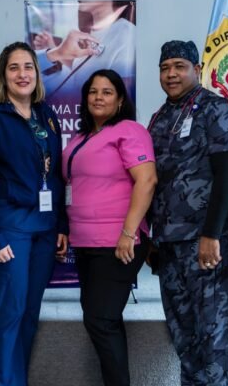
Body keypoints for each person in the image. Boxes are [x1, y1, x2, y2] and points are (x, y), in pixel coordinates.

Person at [0, 41, 68, 386]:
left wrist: (61, 224)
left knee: (29, 313)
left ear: (37, 73)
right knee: (10, 311)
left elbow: (57, 175)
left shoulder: (46, 115)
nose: (22, 74)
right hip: (9, 228)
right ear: (3, 75)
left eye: (28, 67)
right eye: (14, 67)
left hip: (44, 228)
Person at [146, 40, 228, 385]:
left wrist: (212, 234)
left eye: (179, 66)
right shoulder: (161, 116)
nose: (171, 74)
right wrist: (152, 238)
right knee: (183, 337)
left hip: (205, 243)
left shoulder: (216, 110)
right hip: (168, 245)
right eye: (164, 68)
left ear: (197, 70)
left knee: (211, 339)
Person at [62, 69, 156, 386]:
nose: (98, 97)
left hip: (117, 242)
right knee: (102, 319)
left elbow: (147, 180)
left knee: (101, 320)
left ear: (119, 101)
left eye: (106, 92)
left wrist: (129, 233)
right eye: (93, 91)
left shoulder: (129, 130)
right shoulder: (82, 137)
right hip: (85, 242)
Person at [34, 0, 135, 100]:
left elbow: (123, 98)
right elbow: (82, 69)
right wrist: (53, 49)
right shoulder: (90, 32)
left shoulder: (125, 34)